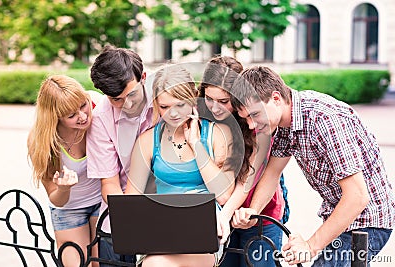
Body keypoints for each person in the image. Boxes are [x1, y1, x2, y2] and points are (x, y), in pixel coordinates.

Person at [230, 65, 395, 266]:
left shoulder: (324, 119)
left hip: (368, 220)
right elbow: (272, 174)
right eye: (245, 118)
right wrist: (253, 212)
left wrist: (310, 246)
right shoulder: (283, 124)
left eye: (254, 115)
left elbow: (358, 197)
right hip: (339, 218)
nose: (251, 125)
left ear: (275, 98)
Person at [125, 64, 237, 267]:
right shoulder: (148, 140)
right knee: (156, 263)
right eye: (165, 107)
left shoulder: (217, 133)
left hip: (205, 234)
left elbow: (224, 195)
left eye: (180, 105)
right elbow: (130, 201)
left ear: (193, 98)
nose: (173, 114)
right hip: (164, 232)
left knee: (156, 265)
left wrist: (196, 144)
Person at [198, 56, 288, 267]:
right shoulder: (202, 116)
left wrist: (228, 213)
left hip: (260, 214)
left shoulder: (257, 123)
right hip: (224, 214)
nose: (215, 107)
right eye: (209, 98)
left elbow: (246, 181)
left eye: (223, 102)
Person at [87, 46, 155, 266]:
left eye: (131, 94)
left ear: (143, 77)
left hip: (168, 212)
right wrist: (130, 212)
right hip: (119, 218)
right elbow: (109, 183)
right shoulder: (100, 119)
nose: (127, 104)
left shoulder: (166, 101)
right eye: (116, 99)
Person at [27, 75, 102, 267]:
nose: (83, 116)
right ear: (55, 117)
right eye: (71, 116)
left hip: (102, 201)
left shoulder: (96, 103)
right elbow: (55, 197)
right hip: (68, 209)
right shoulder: (42, 142)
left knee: (102, 264)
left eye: (83, 105)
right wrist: (64, 188)